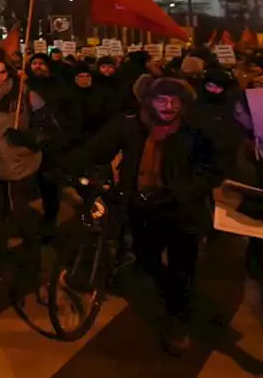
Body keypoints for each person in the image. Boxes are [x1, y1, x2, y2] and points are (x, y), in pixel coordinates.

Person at [71, 77, 226, 353]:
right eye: (161, 100)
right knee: (146, 257)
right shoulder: (130, 124)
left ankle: (178, 321)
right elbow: (95, 149)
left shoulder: (195, 131)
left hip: (181, 212)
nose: (168, 106)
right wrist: (71, 168)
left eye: (174, 101)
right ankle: (172, 293)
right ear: (148, 101)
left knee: (182, 268)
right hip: (142, 208)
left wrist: (183, 191)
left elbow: (212, 169)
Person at [0, 56, 59, 286]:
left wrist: (28, 137)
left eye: (3, 72)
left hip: (20, 164)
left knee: (20, 214)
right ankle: (2, 260)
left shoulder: (27, 95)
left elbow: (49, 127)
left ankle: (32, 259)